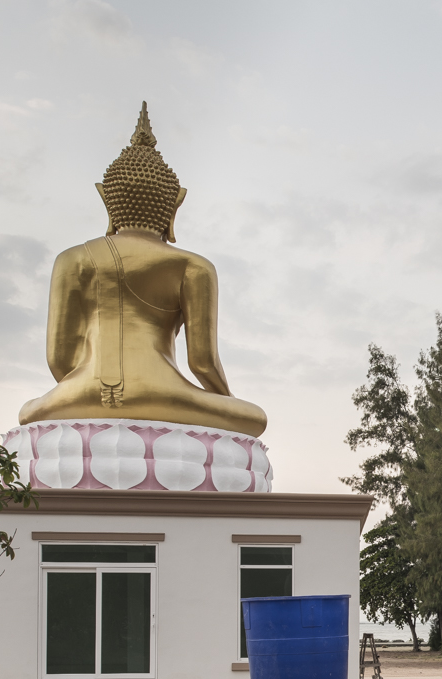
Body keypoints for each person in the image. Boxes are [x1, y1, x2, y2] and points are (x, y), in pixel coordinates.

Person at [18, 104, 268, 437]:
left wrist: (88, 392)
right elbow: (203, 362)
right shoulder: (193, 266)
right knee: (255, 418)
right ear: (174, 203)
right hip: (164, 394)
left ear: (107, 199)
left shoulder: (71, 259)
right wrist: (226, 409)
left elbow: (59, 359)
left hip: (78, 394)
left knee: (27, 412)